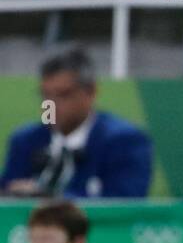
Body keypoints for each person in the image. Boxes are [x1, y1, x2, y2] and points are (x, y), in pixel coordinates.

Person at [1, 47, 153, 199]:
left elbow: (125, 205)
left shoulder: (125, 141)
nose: (50, 105)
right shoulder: (25, 140)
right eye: (45, 95)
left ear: (91, 92)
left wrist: (46, 197)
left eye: (63, 95)